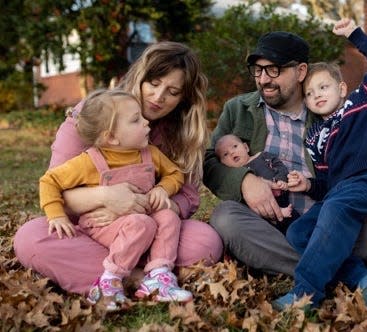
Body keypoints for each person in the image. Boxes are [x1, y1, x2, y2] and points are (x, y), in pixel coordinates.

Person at [203, 28, 367, 285]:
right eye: (258, 71)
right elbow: (209, 161)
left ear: (301, 71)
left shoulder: (327, 109)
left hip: (325, 219)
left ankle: (287, 262)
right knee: (225, 218)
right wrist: (244, 180)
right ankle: (347, 269)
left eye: (274, 70)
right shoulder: (238, 109)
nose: (263, 79)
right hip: (267, 223)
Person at [14, 41, 223, 298]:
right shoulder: (94, 116)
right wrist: (107, 198)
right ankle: (137, 278)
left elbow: (188, 197)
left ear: (183, 98)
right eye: (154, 84)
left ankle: (134, 274)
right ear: (140, 78)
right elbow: (55, 186)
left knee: (205, 241)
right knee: (30, 238)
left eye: (172, 91)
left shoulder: (179, 133)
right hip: (93, 230)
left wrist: (155, 201)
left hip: (152, 230)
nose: (159, 97)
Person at [272, 18, 367, 310]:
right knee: (298, 232)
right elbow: (329, 186)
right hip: (342, 191)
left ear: (341, 88)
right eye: (309, 93)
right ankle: (363, 279)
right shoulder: (315, 137)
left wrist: (354, 34)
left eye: (323, 87)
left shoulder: (359, 103)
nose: (315, 94)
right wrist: (308, 185)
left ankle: (306, 293)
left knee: (335, 207)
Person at [40, 89, 193, 310]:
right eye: (135, 120)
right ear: (111, 137)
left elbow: (175, 174)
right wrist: (56, 215)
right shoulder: (89, 161)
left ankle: (159, 275)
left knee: (168, 216)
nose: (146, 122)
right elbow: (49, 180)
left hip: (141, 216)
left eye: (142, 116)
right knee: (142, 224)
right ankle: (109, 281)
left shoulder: (150, 153)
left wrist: (162, 188)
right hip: (103, 225)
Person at [215, 134, 297, 232]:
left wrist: (281, 179)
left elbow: (279, 165)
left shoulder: (262, 156)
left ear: (246, 147)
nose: (232, 152)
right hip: (262, 216)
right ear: (223, 164)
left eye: (235, 146)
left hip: (283, 199)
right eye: (225, 154)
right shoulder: (236, 176)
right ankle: (279, 213)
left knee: (296, 225)